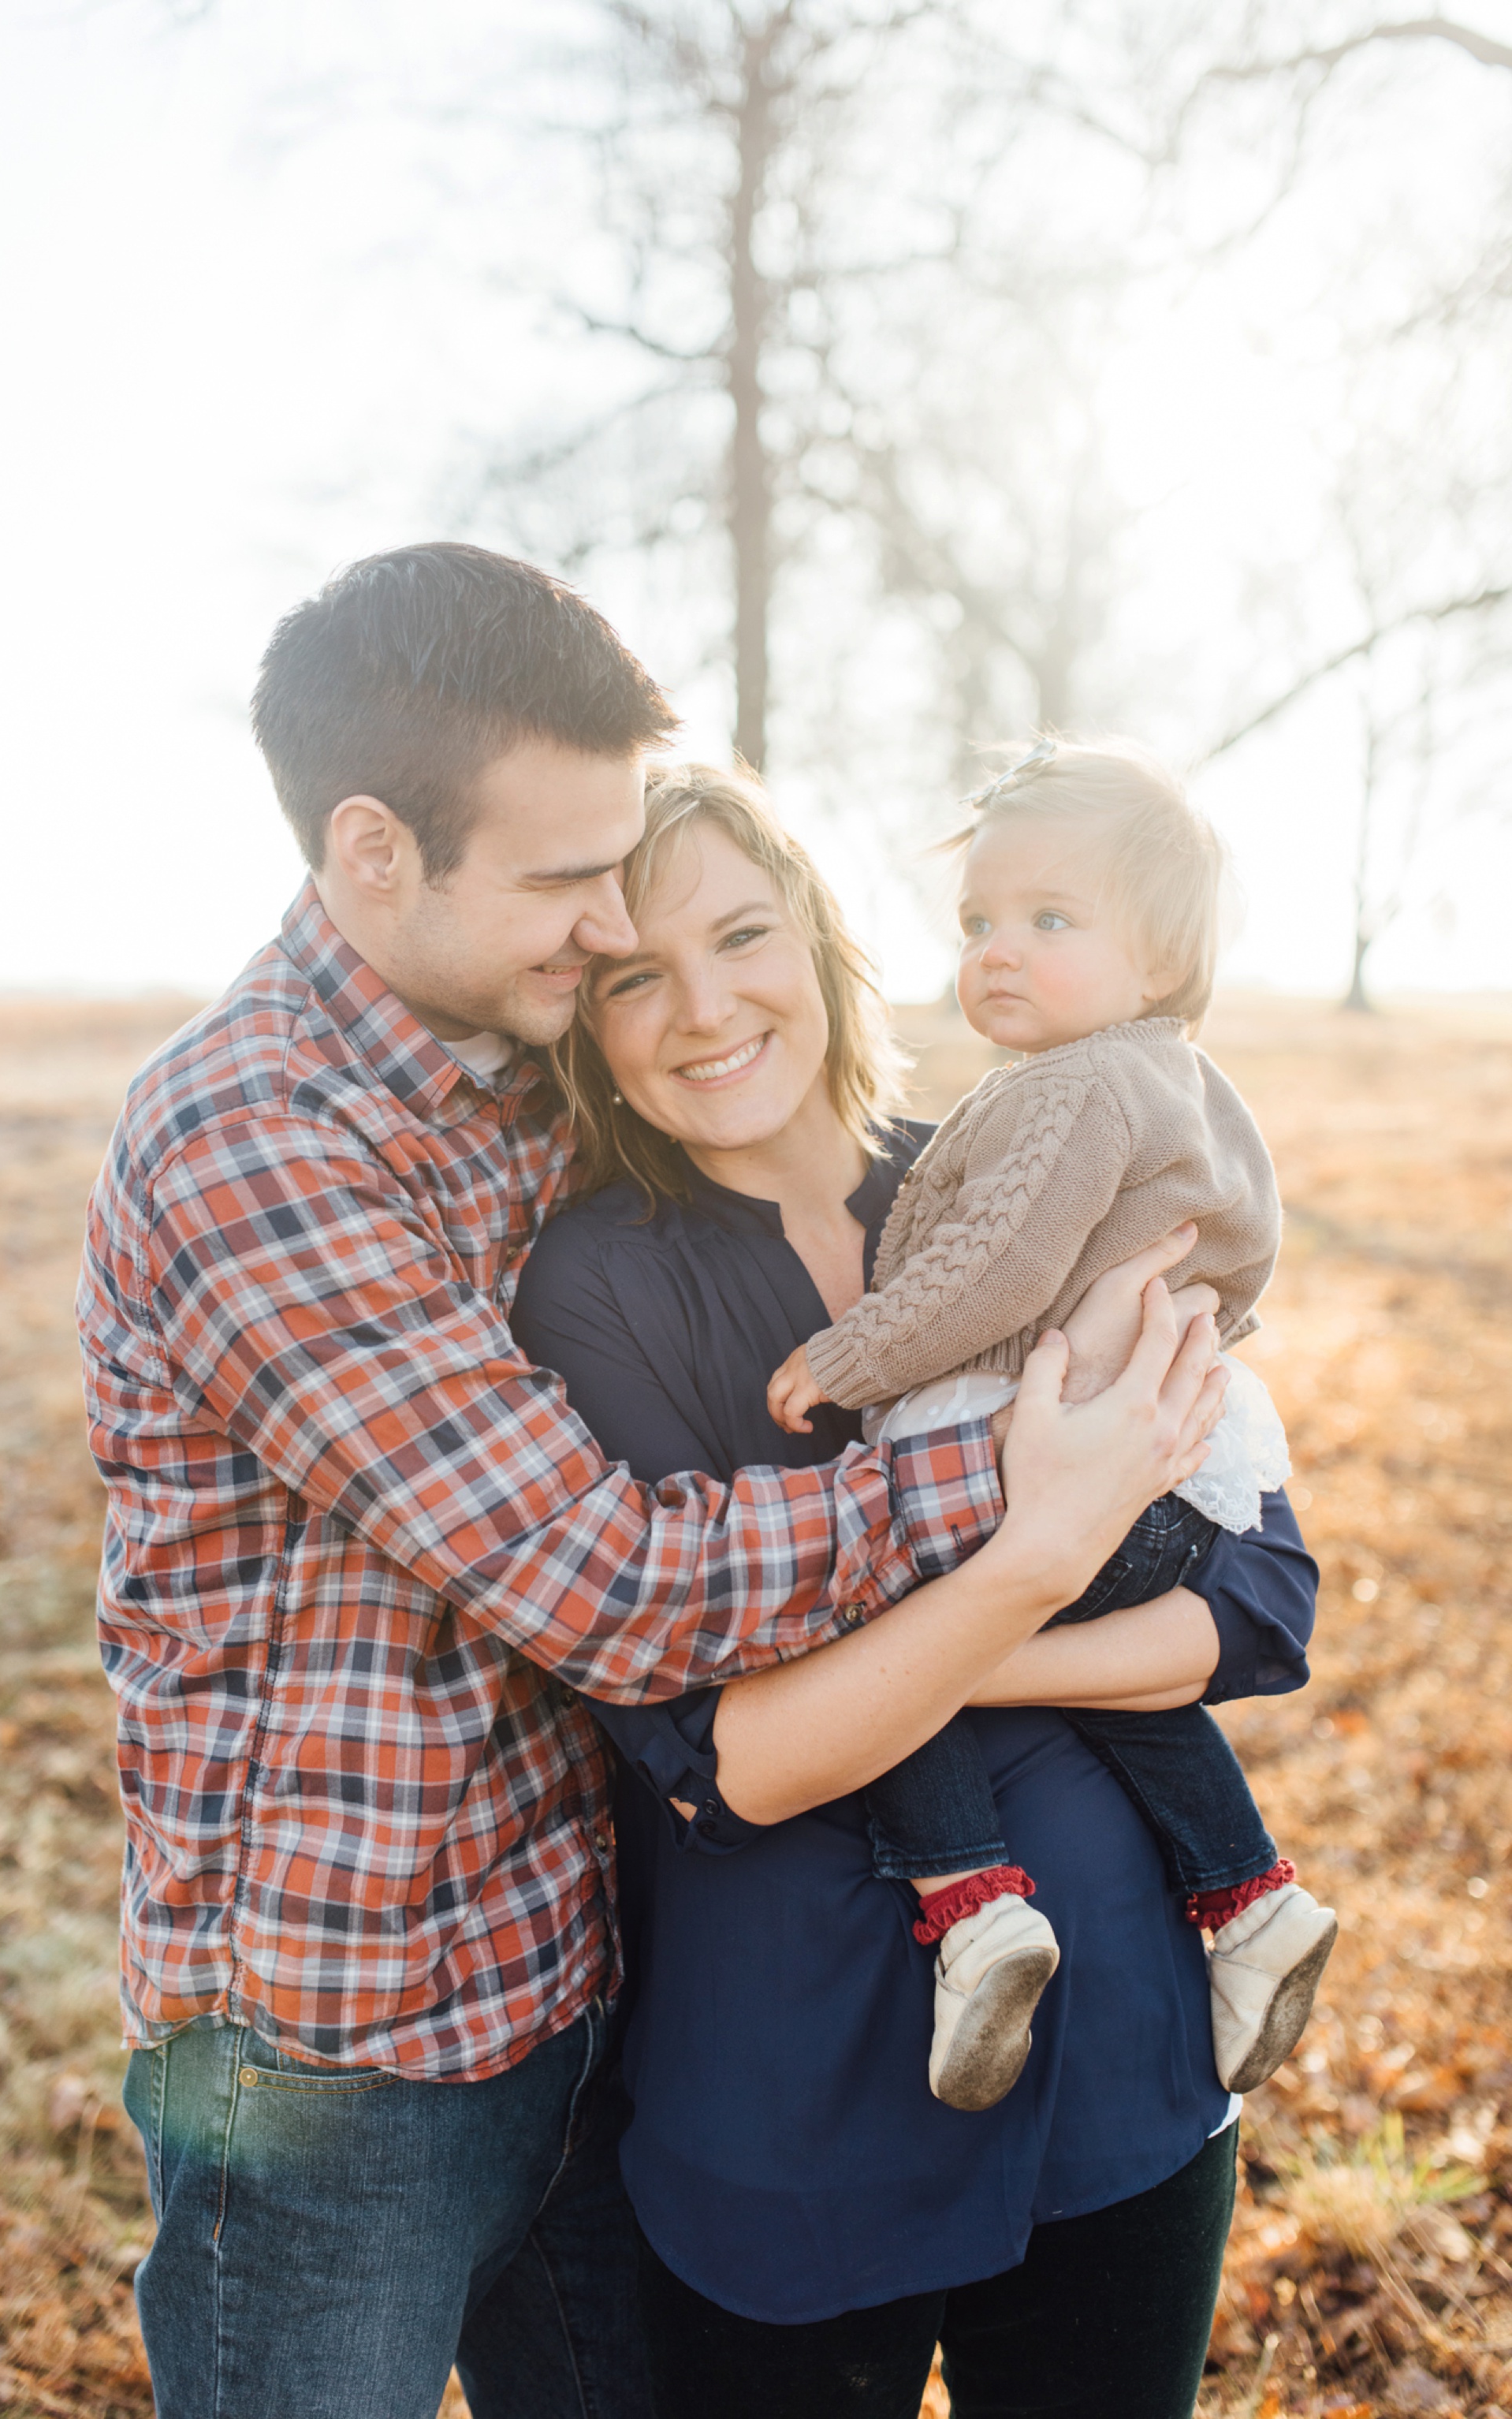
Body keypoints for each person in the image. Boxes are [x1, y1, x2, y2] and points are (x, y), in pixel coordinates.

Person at [76, 543, 1222, 2419]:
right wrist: (1033, 1494)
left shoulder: (528, 1069)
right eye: (566, 882)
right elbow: (610, 1582)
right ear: (376, 854)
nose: (613, 930)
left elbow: (1251, 1591)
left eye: (629, 869)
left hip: (581, 1991)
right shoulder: (256, 1140)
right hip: (338, 2057)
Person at [512, 761, 1320, 2419]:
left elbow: (1255, 1608)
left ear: (816, 942)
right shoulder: (594, 1284)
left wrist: (964, 1655)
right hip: (796, 2104)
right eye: (633, 977)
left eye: (741, 934)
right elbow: (731, 1756)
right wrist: (1035, 1565)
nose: (702, 1006)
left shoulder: (993, 1175)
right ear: (588, 1025)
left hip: (1125, 2060)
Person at [765, 737, 1336, 2113]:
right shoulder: (1184, 1080)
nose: (998, 952)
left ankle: (973, 1910)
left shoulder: (1078, 1086)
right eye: (978, 924)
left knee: (897, 1621)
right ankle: (1252, 1902)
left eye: (1051, 920)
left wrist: (852, 1353)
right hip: (1170, 1472)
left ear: (1158, 963)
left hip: (1063, 1447)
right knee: (1072, 1658)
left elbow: (1001, 1267)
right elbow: (1230, 1255)